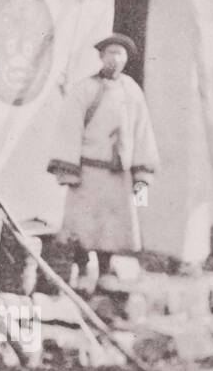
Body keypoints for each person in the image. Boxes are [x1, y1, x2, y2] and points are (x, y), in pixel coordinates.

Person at [46, 33, 160, 292]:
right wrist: (68, 170)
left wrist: (142, 174)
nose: (115, 59)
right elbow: (69, 127)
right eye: (110, 53)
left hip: (117, 175)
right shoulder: (85, 89)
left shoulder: (131, 91)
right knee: (83, 229)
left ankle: (104, 279)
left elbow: (142, 130)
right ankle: (83, 274)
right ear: (101, 57)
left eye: (120, 54)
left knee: (111, 231)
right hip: (88, 172)